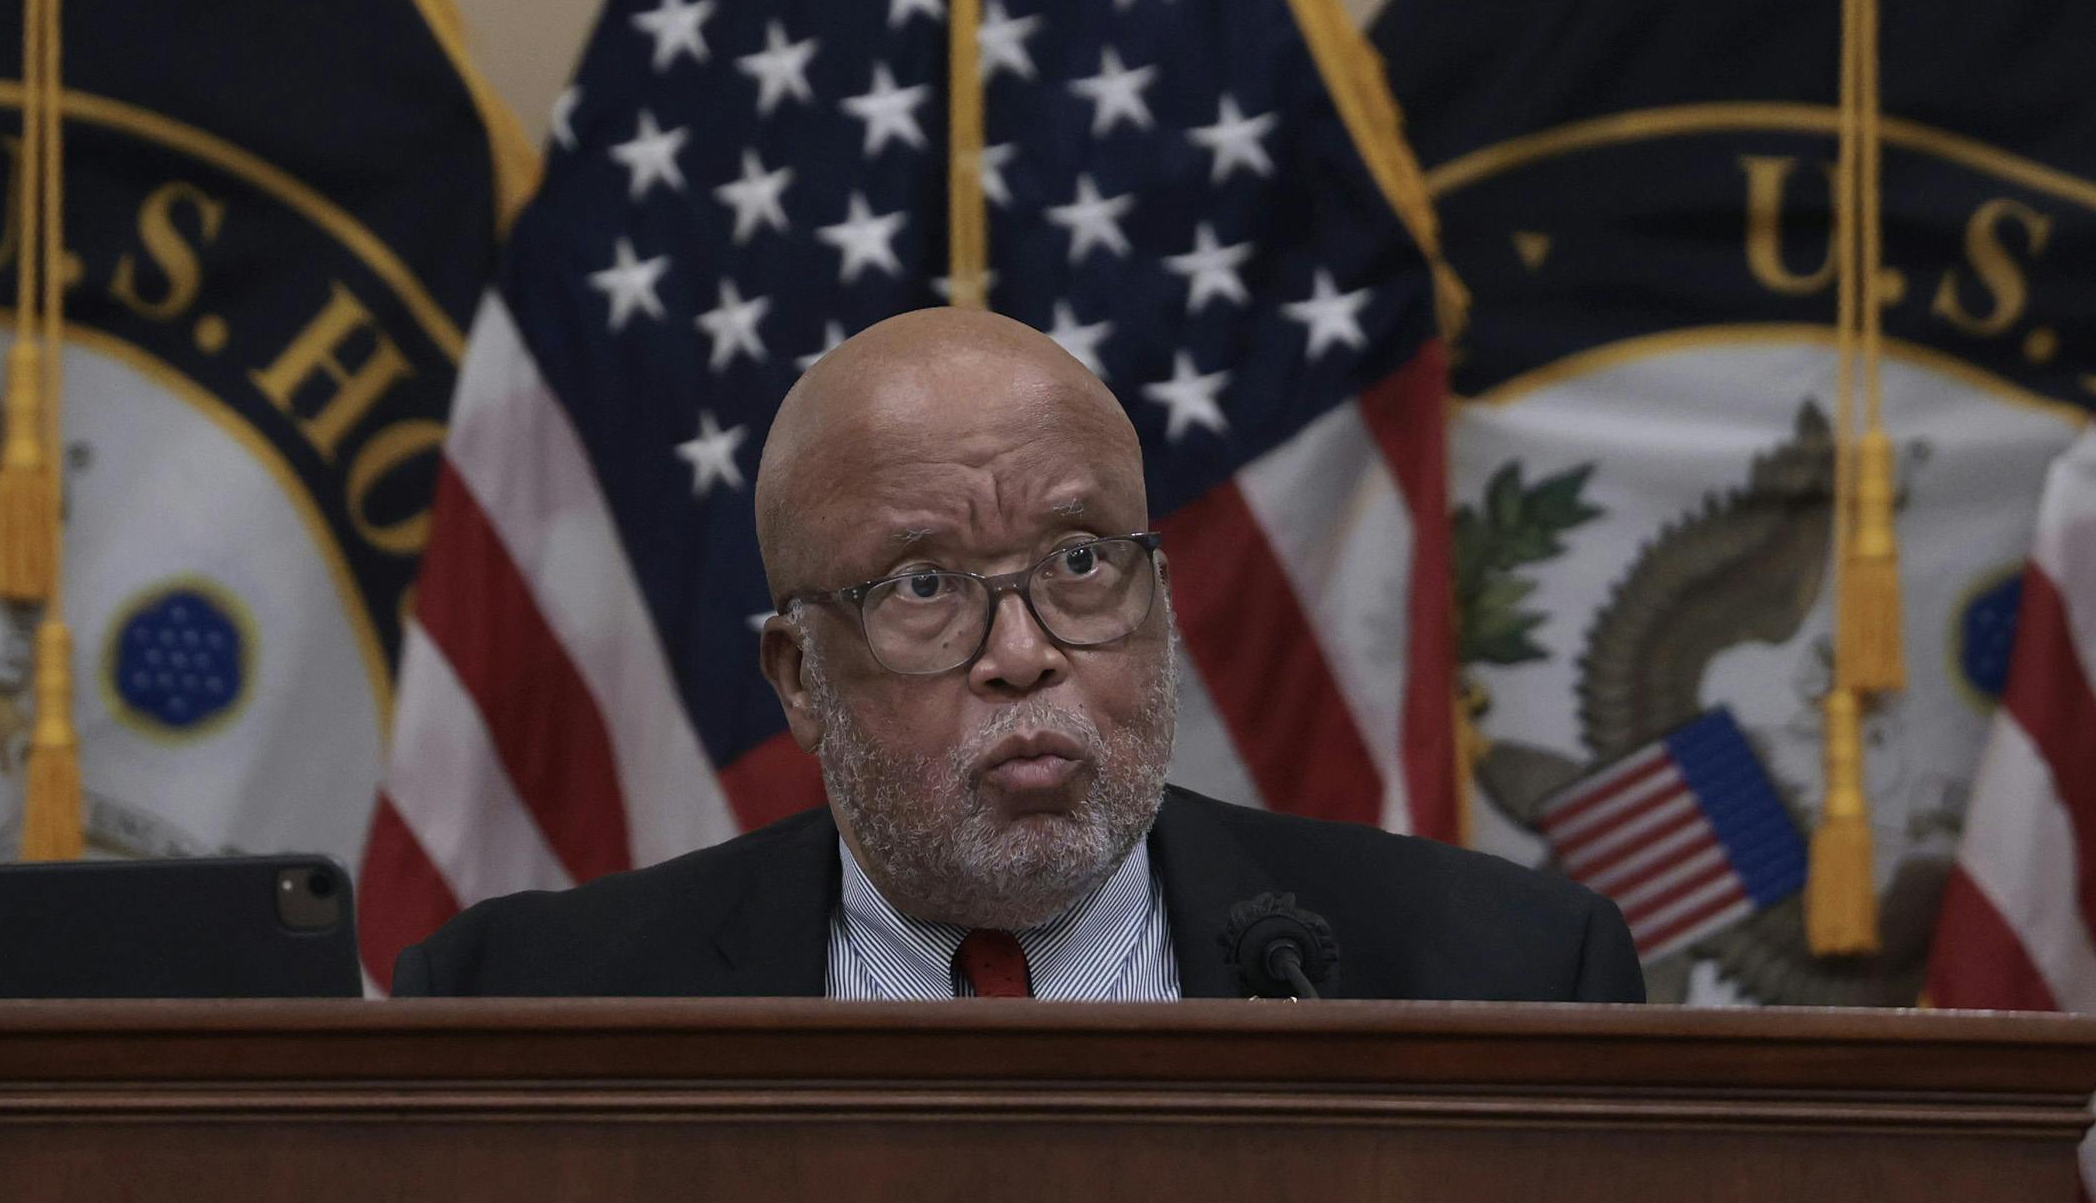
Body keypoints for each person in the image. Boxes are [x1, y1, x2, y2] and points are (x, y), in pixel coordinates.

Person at [395, 308, 1639, 1001]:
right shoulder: (530, 1004)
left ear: (1164, 603)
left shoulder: (1506, 974)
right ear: (798, 679)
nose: (1025, 654)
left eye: (1083, 563)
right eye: (926, 586)